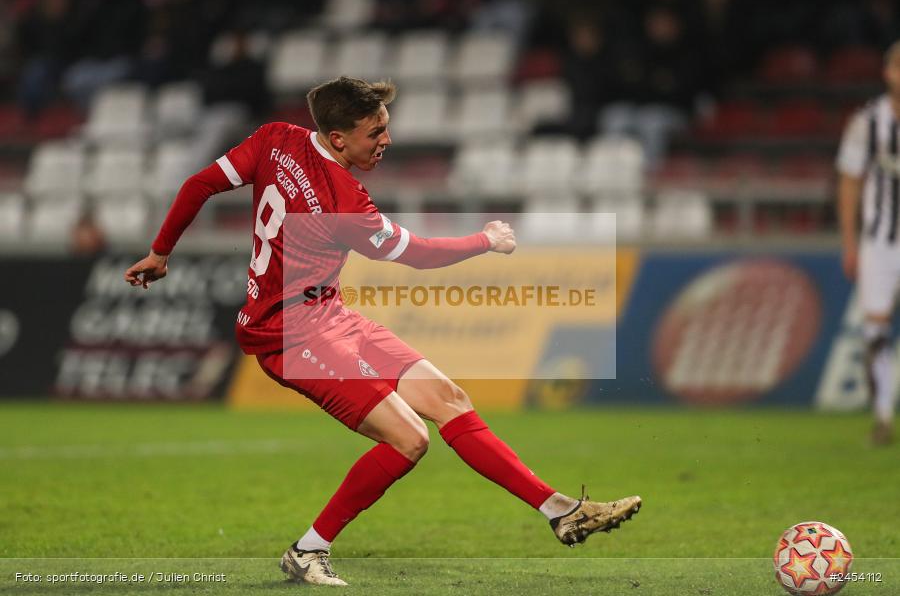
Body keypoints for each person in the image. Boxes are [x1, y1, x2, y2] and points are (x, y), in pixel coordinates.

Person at [124, 76, 641, 586]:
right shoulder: (343, 201)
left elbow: (200, 184)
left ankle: (561, 511)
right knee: (410, 438)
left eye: (385, 127)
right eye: (375, 132)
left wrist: (161, 252)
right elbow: (417, 254)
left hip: (331, 316)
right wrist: (484, 240)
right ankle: (309, 550)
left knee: (448, 397)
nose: (386, 141)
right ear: (339, 137)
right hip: (289, 334)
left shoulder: (273, 138)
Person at [837, 40, 900, 446]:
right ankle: (883, 417)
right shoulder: (868, 121)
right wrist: (849, 243)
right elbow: (849, 183)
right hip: (880, 239)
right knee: (875, 329)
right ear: (888, 71)